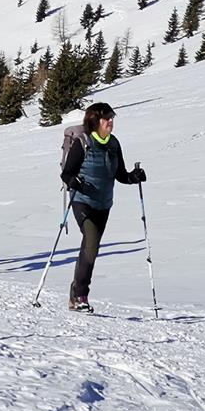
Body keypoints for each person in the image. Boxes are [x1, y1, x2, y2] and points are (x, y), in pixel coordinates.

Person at [59, 101, 145, 312]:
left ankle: (75, 289)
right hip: (82, 200)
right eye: (107, 119)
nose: (110, 122)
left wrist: (134, 177)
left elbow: (120, 175)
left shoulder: (114, 144)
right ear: (94, 121)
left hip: (104, 203)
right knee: (92, 241)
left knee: (91, 248)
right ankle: (81, 295)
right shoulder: (83, 142)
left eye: (112, 118)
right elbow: (67, 173)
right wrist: (73, 182)